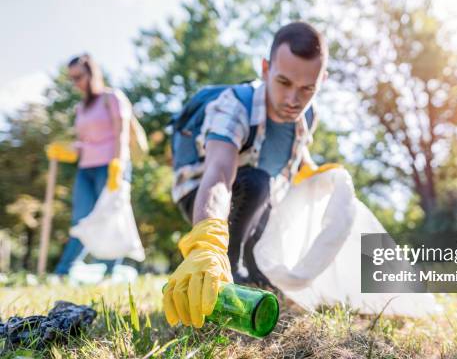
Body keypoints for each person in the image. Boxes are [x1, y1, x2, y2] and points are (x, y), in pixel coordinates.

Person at [163, 22, 340, 328]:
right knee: (258, 183)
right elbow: (219, 173)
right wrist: (207, 241)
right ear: (265, 68)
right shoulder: (234, 106)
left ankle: (252, 277)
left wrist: (314, 173)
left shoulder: (309, 115)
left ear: (321, 81)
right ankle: (224, 274)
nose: (292, 100)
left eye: (307, 89)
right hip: (203, 194)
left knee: (265, 262)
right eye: (283, 82)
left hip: (259, 201)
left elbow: (296, 156)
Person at [49, 54, 133, 275]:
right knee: (82, 219)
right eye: (72, 78)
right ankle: (64, 271)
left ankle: (110, 272)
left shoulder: (112, 97)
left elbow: (120, 133)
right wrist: (65, 150)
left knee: (110, 217)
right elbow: (84, 142)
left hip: (111, 164)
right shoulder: (81, 108)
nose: (76, 82)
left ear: (92, 73)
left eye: (79, 76)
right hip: (86, 168)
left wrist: (118, 164)